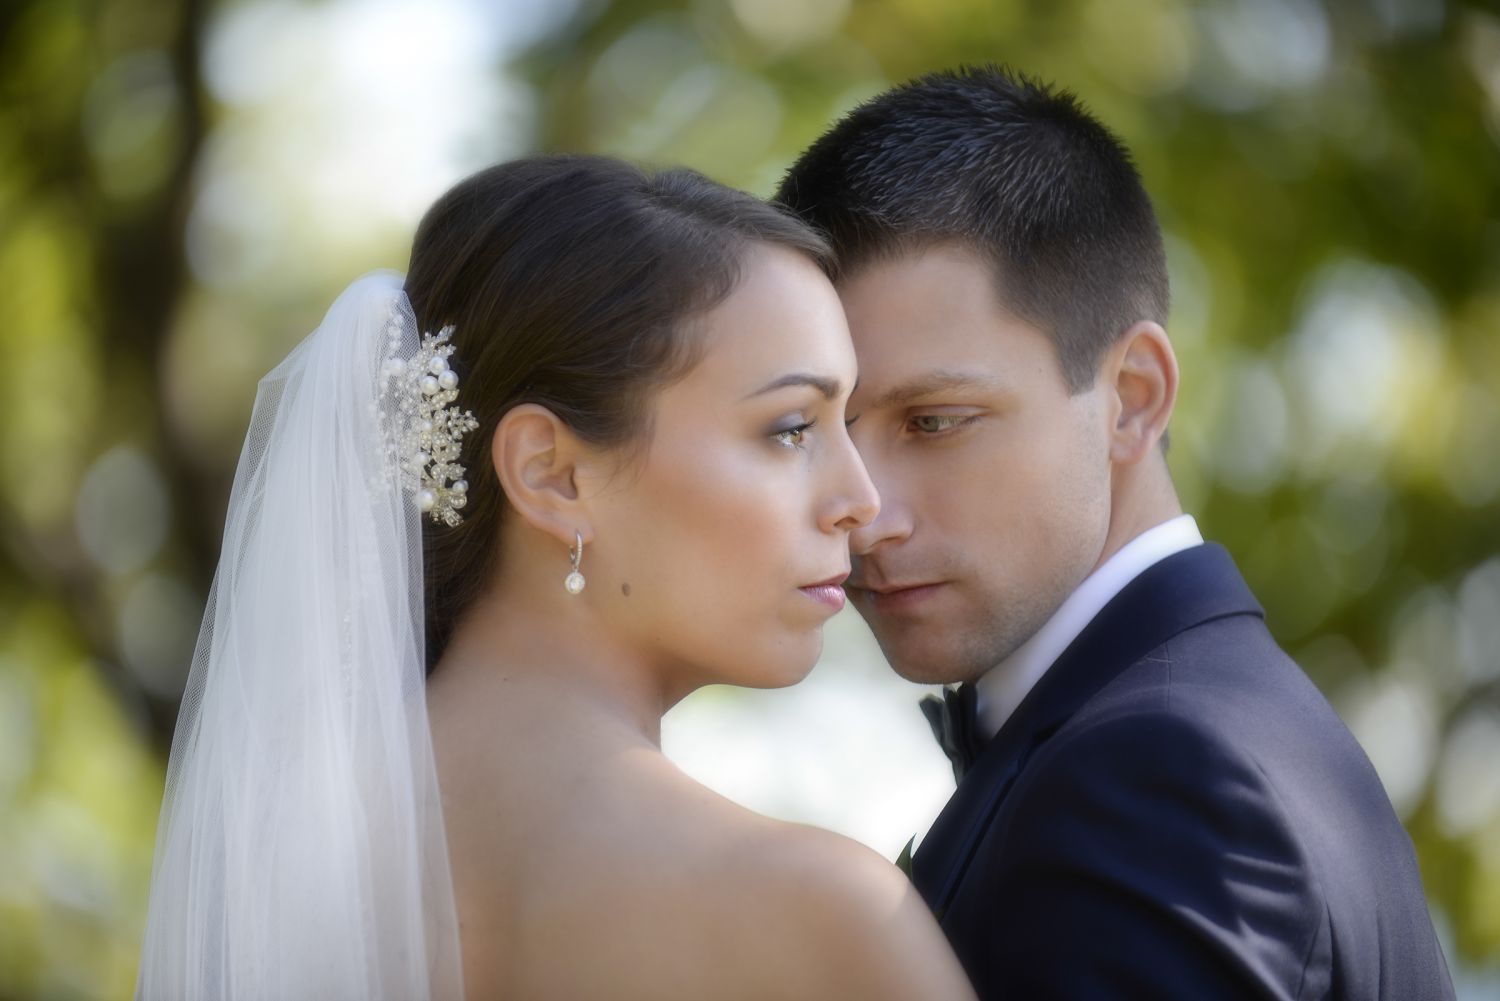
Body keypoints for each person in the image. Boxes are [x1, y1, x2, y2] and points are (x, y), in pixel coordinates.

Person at [136, 155, 978, 1001]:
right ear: (551, 474)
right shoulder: (821, 917)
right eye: (792, 428)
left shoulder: (261, 885)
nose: (860, 503)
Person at [777, 66, 1456, 1000]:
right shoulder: (1213, 734)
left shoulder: (1163, 775)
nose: (862, 510)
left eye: (934, 421)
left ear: (1132, 398)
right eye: (815, 430)